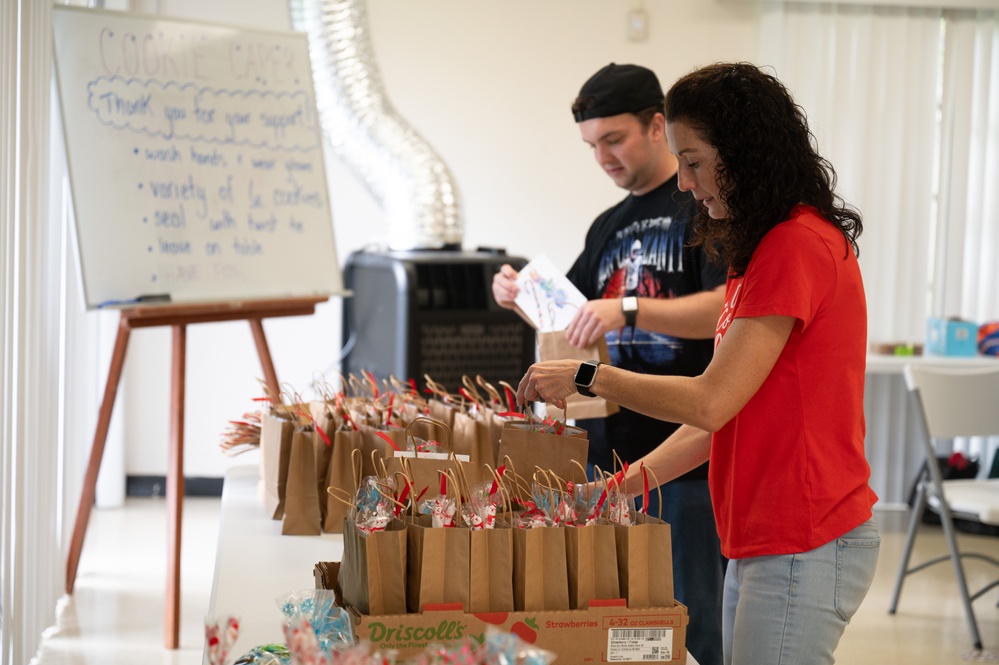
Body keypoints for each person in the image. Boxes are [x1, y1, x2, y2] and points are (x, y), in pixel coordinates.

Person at [516, 62, 881, 665]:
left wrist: (588, 375)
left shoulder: (794, 244)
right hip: (763, 533)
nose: (685, 183)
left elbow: (711, 398)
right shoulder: (759, 249)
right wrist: (618, 489)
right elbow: (723, 419)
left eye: (695, 162)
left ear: (742, 155)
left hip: (804, 533)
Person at [492, 63, 727, 665]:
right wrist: (519, 297)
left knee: (694, 621)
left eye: (614, 139)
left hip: (689, 455)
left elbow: (730, 306)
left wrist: (629, 309)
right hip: (610, 455)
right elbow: (571, 321)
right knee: (623, 623)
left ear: (656, 126)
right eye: (592, 145)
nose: (603, 157)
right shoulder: (608, 225)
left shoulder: (703, 205)